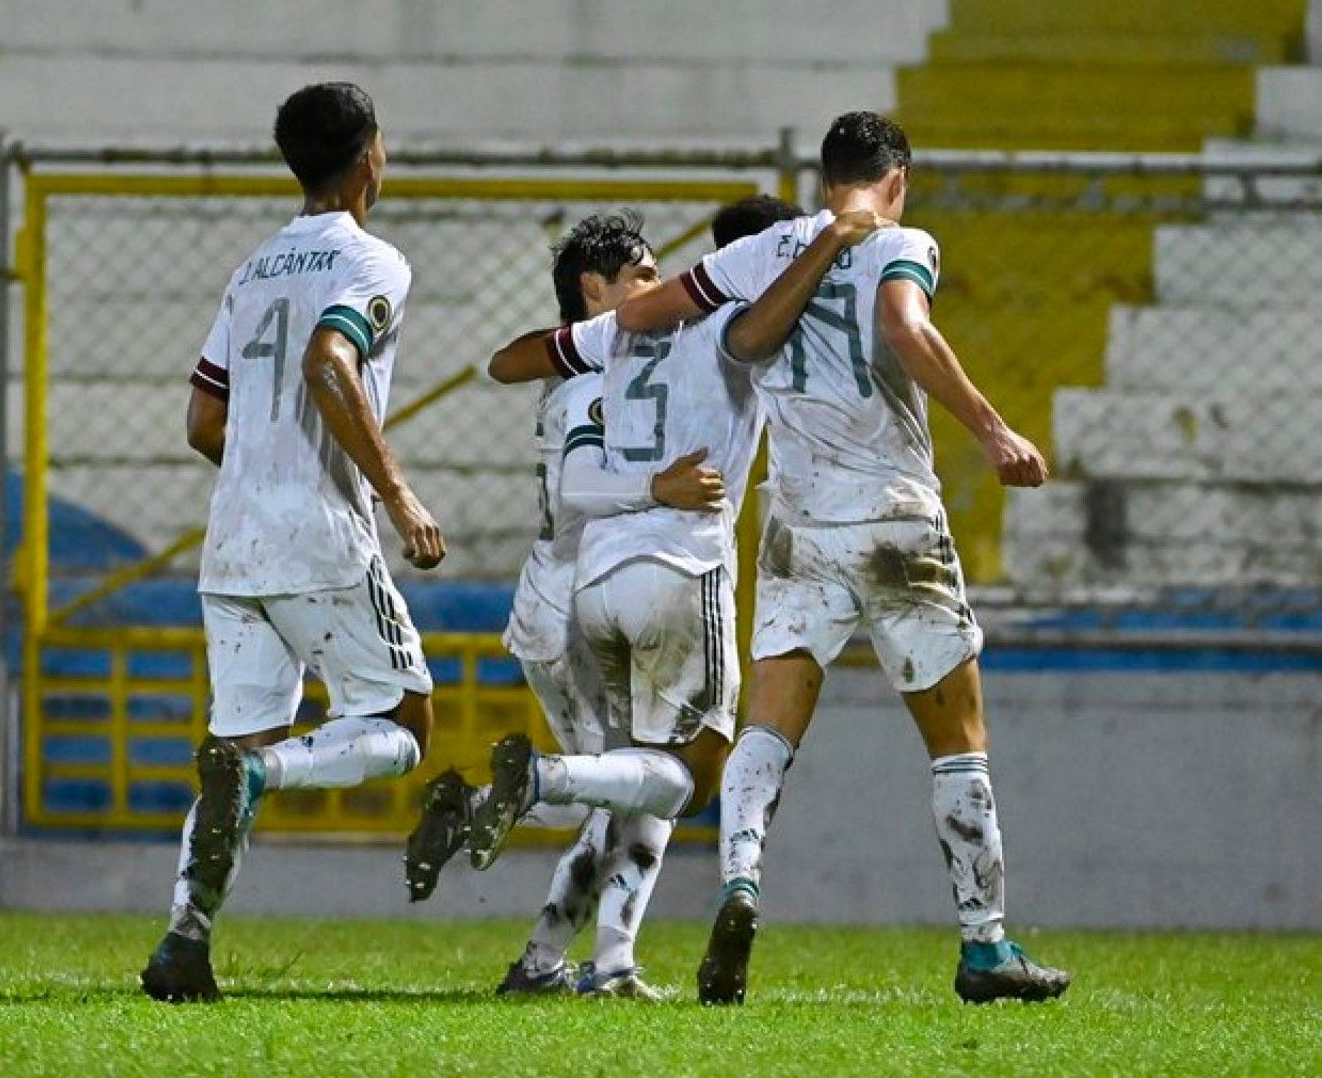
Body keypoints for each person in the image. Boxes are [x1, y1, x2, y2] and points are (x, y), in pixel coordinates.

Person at [615, 111, 1070, 1005]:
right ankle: (984, 949)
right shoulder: (903, 241)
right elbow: (904, 326)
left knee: (768, 729)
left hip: (796, 522)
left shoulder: (768, 248)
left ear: (827, 180)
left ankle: (740, 883)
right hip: (896, 519)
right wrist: (992, 428)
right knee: (957, 741)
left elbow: (639, 312)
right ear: (896, 178)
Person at [465, 196, 884, 998]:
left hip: (595, 585)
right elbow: (759, 335)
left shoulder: (619, 337)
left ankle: (577, 959)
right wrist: (829, 246)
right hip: (674, 569)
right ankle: (541, 784)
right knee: (689, 771)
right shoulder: (730, 330)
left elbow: (507, 362)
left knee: (636, 781)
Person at [139, 82, 447, 1003]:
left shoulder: (253, 268)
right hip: (319, 534)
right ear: (367, 159)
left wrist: (261, 468)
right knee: (402, 723)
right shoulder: (373, 261)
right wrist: (397, 493)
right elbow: (328, 359)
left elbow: (203, 420)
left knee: (233, 738)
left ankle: (184, 941)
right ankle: (265, 775)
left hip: (232, 541)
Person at [402, 211, 722, 999]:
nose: (655, 287)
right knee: (627, 786)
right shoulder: (589, 380)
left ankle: (547, 949)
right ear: (594, 289)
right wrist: (662, 487)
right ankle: (597, 962)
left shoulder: (597, 367)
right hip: (573, 610)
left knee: (621, 789)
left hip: (568, 599)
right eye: (642, 275)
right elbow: (579, 487)